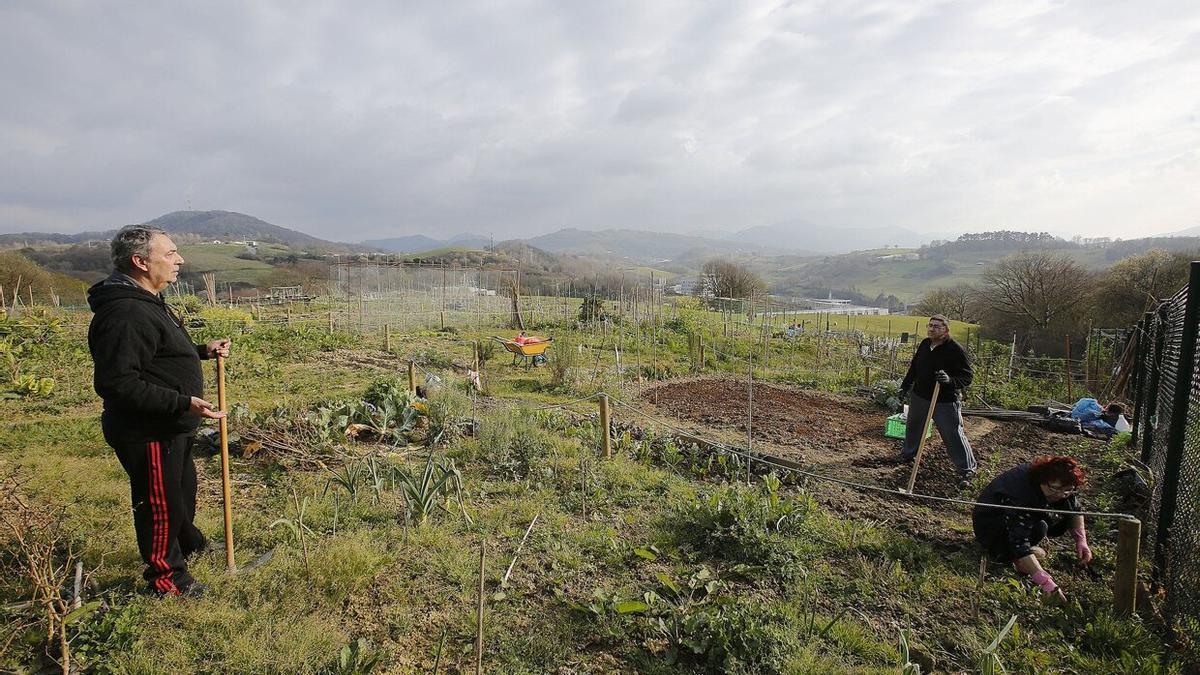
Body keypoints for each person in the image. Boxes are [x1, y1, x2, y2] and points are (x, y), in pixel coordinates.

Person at [88, 224, 231, 597]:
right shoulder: (125, 313)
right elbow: (117, 383)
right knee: (159, 504)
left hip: (171, 426)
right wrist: (181, 402)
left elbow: (156, 353)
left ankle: (189, 547)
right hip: (148, 429)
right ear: (139, 261)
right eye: (169, 253)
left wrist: (201, 350)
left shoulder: (146, 301)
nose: (179, 259)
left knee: (181, 494)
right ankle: (168, 581)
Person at [972, 456, 1093, 602]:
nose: (1061, 495)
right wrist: (1045, 582)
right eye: (1055, 489)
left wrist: (1081, 540)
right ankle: (1008, 555)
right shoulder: (1022, 495)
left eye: (1067, 491)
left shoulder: (1060, 487)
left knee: (1049, 523)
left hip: (1020, 515)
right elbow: (1020, 542)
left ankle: (1026, 558)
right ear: (1042, 480)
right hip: (991, 525)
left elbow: (1074, 510)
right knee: (1039, 528)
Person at [898, 314, 977, 486]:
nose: (932, 328)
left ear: (946, 330)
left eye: (937, 326)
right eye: (930, 325)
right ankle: (908, 454)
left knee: (953, 434)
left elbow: (967, 376)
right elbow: (914, 367)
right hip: (920, 396)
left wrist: (949, 381)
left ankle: (966, 470)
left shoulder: (955, 350)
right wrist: (905, 386)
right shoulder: (925, 344)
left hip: (944, 401)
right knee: (913, 427)